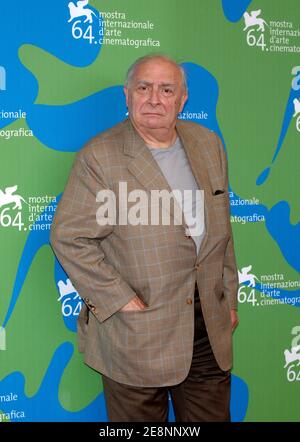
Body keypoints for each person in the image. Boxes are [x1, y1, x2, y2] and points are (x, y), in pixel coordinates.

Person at [50, 54, 239, 422]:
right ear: (128, 95)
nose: (155, 98)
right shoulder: (99, 157)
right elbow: (69, 236)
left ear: (182, 99)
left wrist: (228, 297)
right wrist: (121, 300)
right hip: (137, 335)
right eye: (144, 87)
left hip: (206, 333)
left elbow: (222, 230)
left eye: (166, 89)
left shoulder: (208, 144)